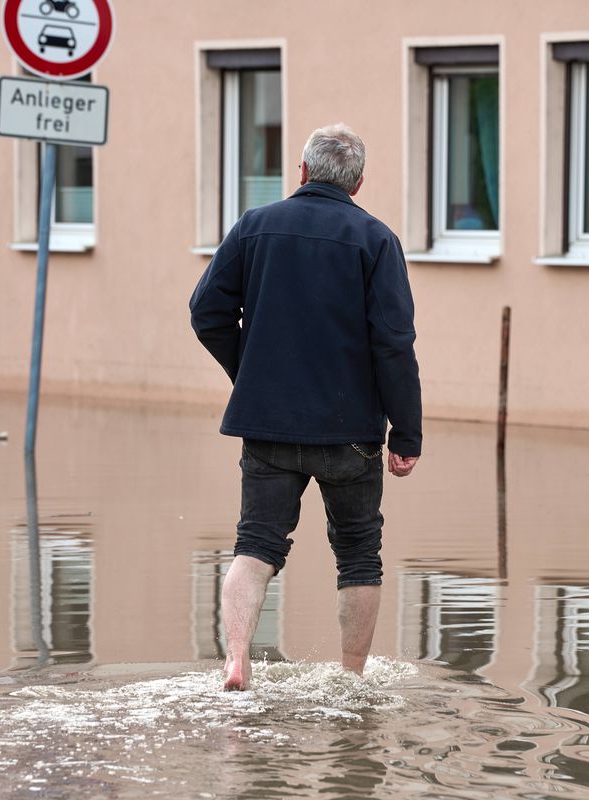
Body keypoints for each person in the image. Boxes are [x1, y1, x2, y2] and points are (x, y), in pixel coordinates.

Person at [189, 123, 422, 691]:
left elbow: (206, 312)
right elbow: (393, 342)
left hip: (268, 425)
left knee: (256, 543)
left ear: (301, 172)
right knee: (360, 552)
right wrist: (407, 435)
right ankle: (351, 679)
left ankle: (237, 662)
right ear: (358, 183)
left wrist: (250, 374)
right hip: (352, 434)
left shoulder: (253, 228)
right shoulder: (376, 240)